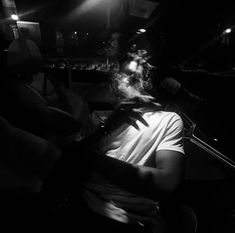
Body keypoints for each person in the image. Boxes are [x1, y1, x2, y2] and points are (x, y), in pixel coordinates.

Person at [42, 49, 186, 233]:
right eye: (126, 76)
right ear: (114, 82)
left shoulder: (167, 120)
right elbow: (68, 167)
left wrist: (95, 160)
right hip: (85, 205)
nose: (134, 82)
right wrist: (109, 126)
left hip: (131, 217)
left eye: (138, 77)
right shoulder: (98, 119)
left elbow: (166, 183)